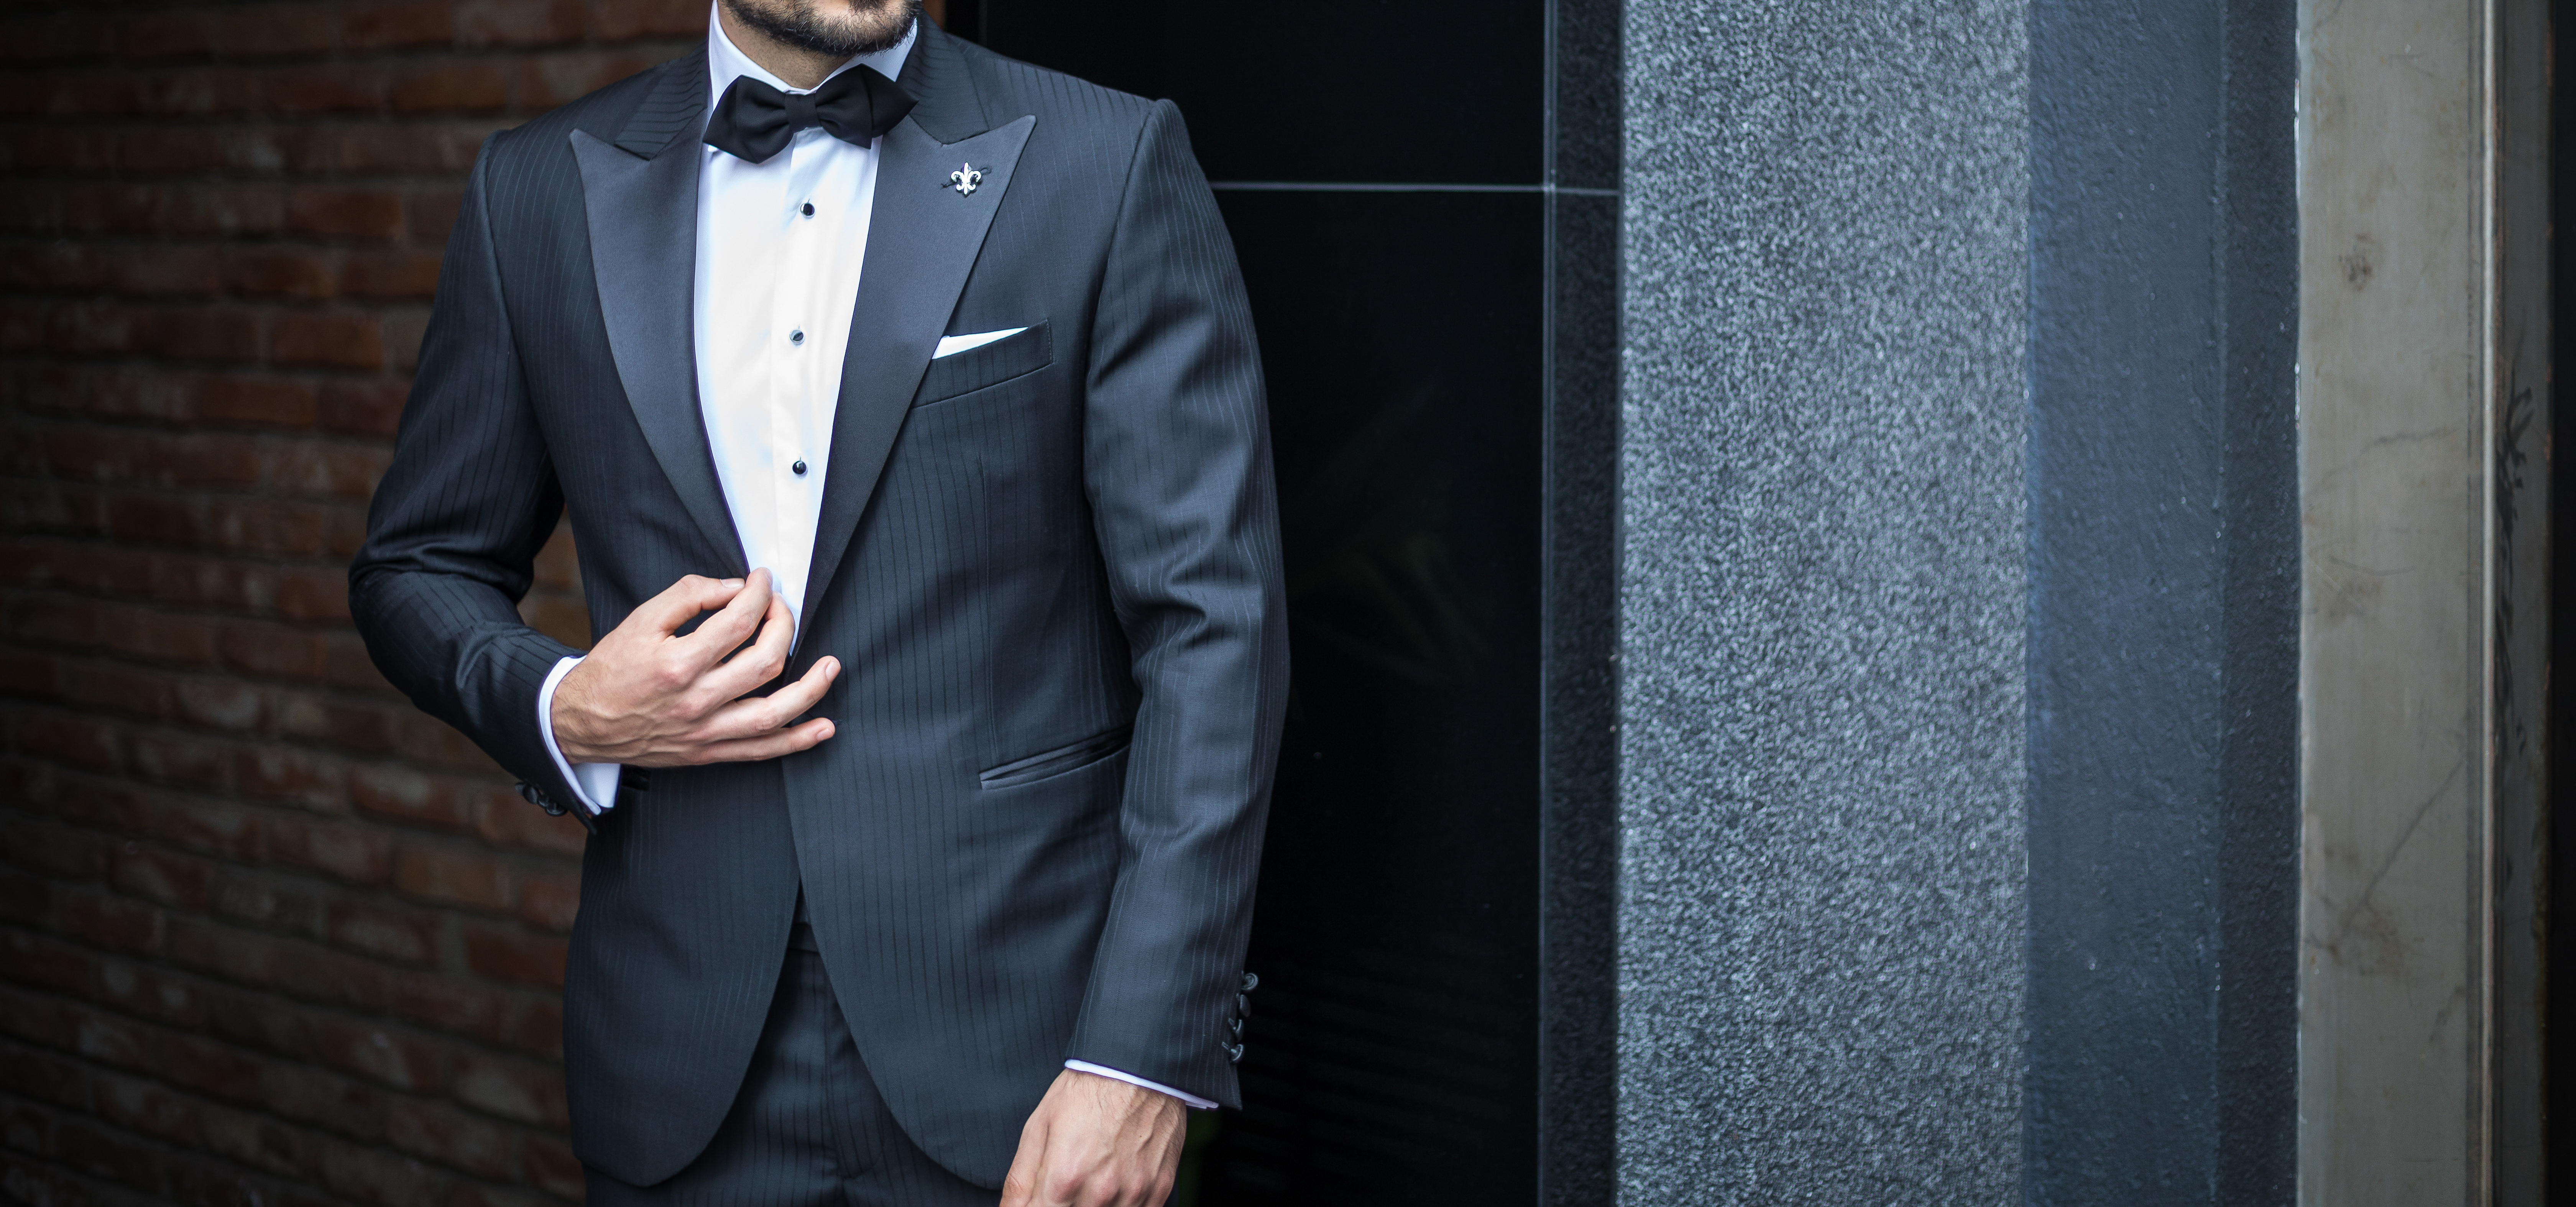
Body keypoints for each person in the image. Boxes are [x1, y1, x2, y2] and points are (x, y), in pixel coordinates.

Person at [346, 0, 1287, 1202]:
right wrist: (567, 710)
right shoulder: (533, 188)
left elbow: (1215, 634)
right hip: (677, 1060)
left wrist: (1142, 1059)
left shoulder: (1105, 158)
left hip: (1029, 1063)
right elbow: (416, 565)